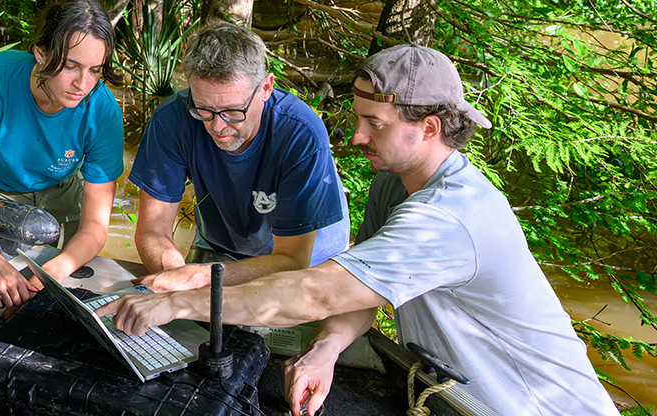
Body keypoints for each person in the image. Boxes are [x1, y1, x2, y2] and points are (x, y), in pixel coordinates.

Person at [99, 44, 619, 416]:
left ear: (429, 127)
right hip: (447, 394)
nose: (354, 135)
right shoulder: (393, 186)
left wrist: (181, 303)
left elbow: (316, 288)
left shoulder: (448, 216)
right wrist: (326, 350)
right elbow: (362, 295)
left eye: (375, 123)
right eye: (357, 117)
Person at [128, 21, 350, 293]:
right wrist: (177, 276)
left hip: (309, 255)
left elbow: (292, 260)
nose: (217, 127)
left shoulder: (301, 133)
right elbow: (153, 229)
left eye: (233, 111)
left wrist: (199, 278)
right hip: (222, 244)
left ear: (266, 88)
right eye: (204, 110)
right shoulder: (172, 119)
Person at [0, 0, 125, 311]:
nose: (83, 84)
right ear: (40, 53)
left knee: (51, 307)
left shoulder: (103, 112)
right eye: (70, 66)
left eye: (95, 70)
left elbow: (94, 228)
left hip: (63, 197)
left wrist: (54, 271)